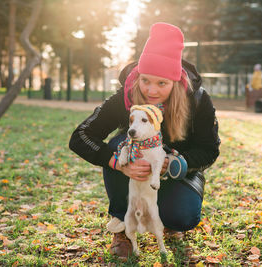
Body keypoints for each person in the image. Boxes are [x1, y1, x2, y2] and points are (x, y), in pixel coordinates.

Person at [69, 22, 220, 258]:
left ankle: (170, 221)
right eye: (146, 80)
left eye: (162, 83)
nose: (152, 90)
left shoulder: (198, 101)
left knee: (183, 217)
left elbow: (209, 149)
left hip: (176, 173)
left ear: (175, 81)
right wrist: (117, 162)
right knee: (120, 144)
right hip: (132, 174)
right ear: (138, 75)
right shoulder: (125, 97)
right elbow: (80, 136)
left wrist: (175, 163)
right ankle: (122, 227)